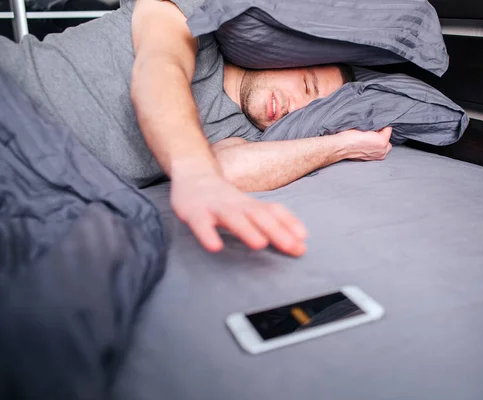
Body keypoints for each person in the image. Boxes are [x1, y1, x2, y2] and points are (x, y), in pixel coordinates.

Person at [0, 0, 392, 257]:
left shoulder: (249, 132)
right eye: (306, 86)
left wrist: (340, 145)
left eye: (311, 109)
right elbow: (159, 68)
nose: (297, 108)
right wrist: (195, 174)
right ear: (287, 54)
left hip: (37, 181)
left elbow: (231, 171)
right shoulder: (193, 22)